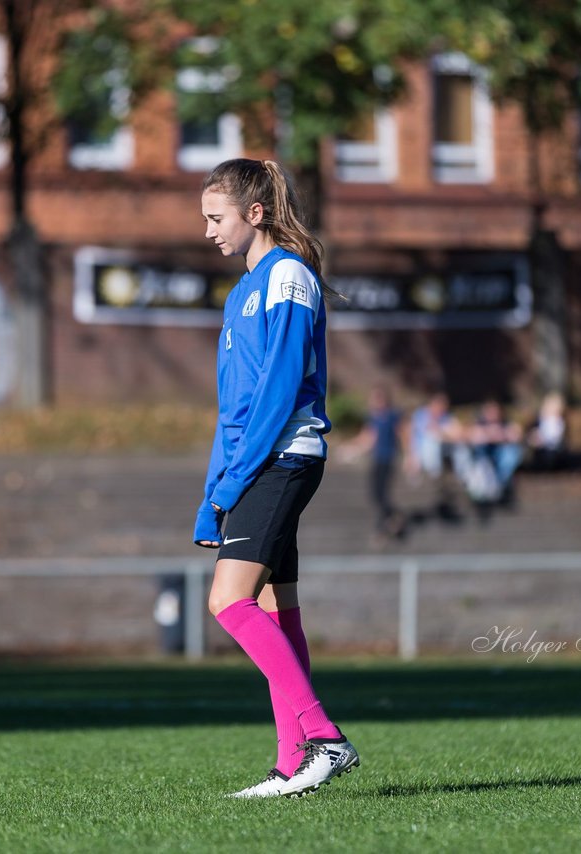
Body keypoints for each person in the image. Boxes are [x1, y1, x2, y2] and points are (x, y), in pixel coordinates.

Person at [194, 158, 359, 799]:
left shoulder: (287, 276)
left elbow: (279, 390)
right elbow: (232, 409)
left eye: (217, 217)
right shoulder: (242, 291)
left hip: (283, 458)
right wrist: (214, 497)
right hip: (254, 463)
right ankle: (295, 764)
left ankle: (324, 738)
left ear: (253, 213)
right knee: (273, 608)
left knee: (227, 603)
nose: (208, 231)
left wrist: (235, 483)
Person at [340, 386, 403, 540]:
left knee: (381, 493)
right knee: (375, 494)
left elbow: (402, 434)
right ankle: (389, 520)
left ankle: (389, 520)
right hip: (377, 459)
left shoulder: (392, 416)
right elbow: (367, 438)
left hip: (388, 458)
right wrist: (350, 447)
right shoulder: (372, 418)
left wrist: (411, 456)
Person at [467, 399, 524, 501]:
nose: (493, 414)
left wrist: (502, 435)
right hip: (483, 458)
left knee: (512, 452)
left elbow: (517, 435)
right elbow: (472, 436)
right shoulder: (479, 424)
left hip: (499, 458)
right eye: (490, 412)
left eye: (495, 411)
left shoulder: (506, 424)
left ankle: (497, 484)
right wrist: (489, 434)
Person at [527, 391, 569, 471]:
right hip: (538, 445)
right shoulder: (540, 420)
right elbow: (532, 430)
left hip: (551, 448)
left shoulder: (558, 423)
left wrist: (542, 439)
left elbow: (555, 438)